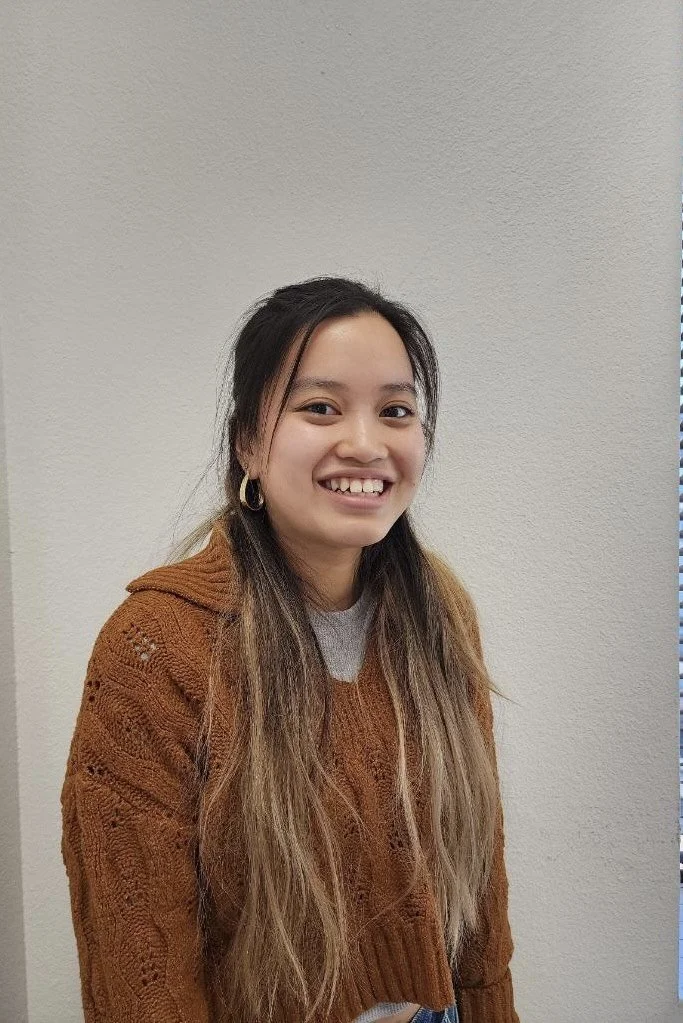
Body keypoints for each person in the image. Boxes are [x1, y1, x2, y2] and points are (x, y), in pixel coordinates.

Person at [60, 275, 520, 1023]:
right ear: (249, 440)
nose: (365, 443)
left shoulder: (438, 613)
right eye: (320, 407)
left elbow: (478, 872)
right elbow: (141, 966)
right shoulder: (159, 649)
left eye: (396, 410)